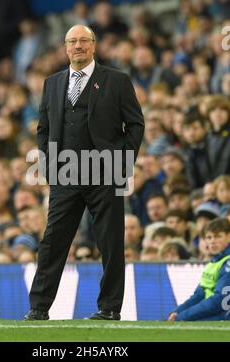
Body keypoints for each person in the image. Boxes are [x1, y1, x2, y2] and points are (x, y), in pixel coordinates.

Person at [25, 25, 144, 321]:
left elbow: (136, 124)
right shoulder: (51, 83)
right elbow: (44, 128)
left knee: (110, 241)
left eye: (83, 41)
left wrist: (121, 161)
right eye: (72, 41)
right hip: (65, 174)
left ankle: (110, 307)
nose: (77, 46)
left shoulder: (116, 80)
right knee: (53, 241)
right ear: (65, 47)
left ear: (93, 45)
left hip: (105, 174)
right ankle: (39, 307)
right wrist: (48, 165)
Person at [168, 218, 230, 321]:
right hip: (216, 313)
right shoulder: (213, 263)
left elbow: (220, 301)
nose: (213, 241)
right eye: (209, 237)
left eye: (218, 236)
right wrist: (177, 312)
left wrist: (183, 316)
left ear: (228, 237)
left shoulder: (228, 262)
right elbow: (199, 295)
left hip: (224, 316)